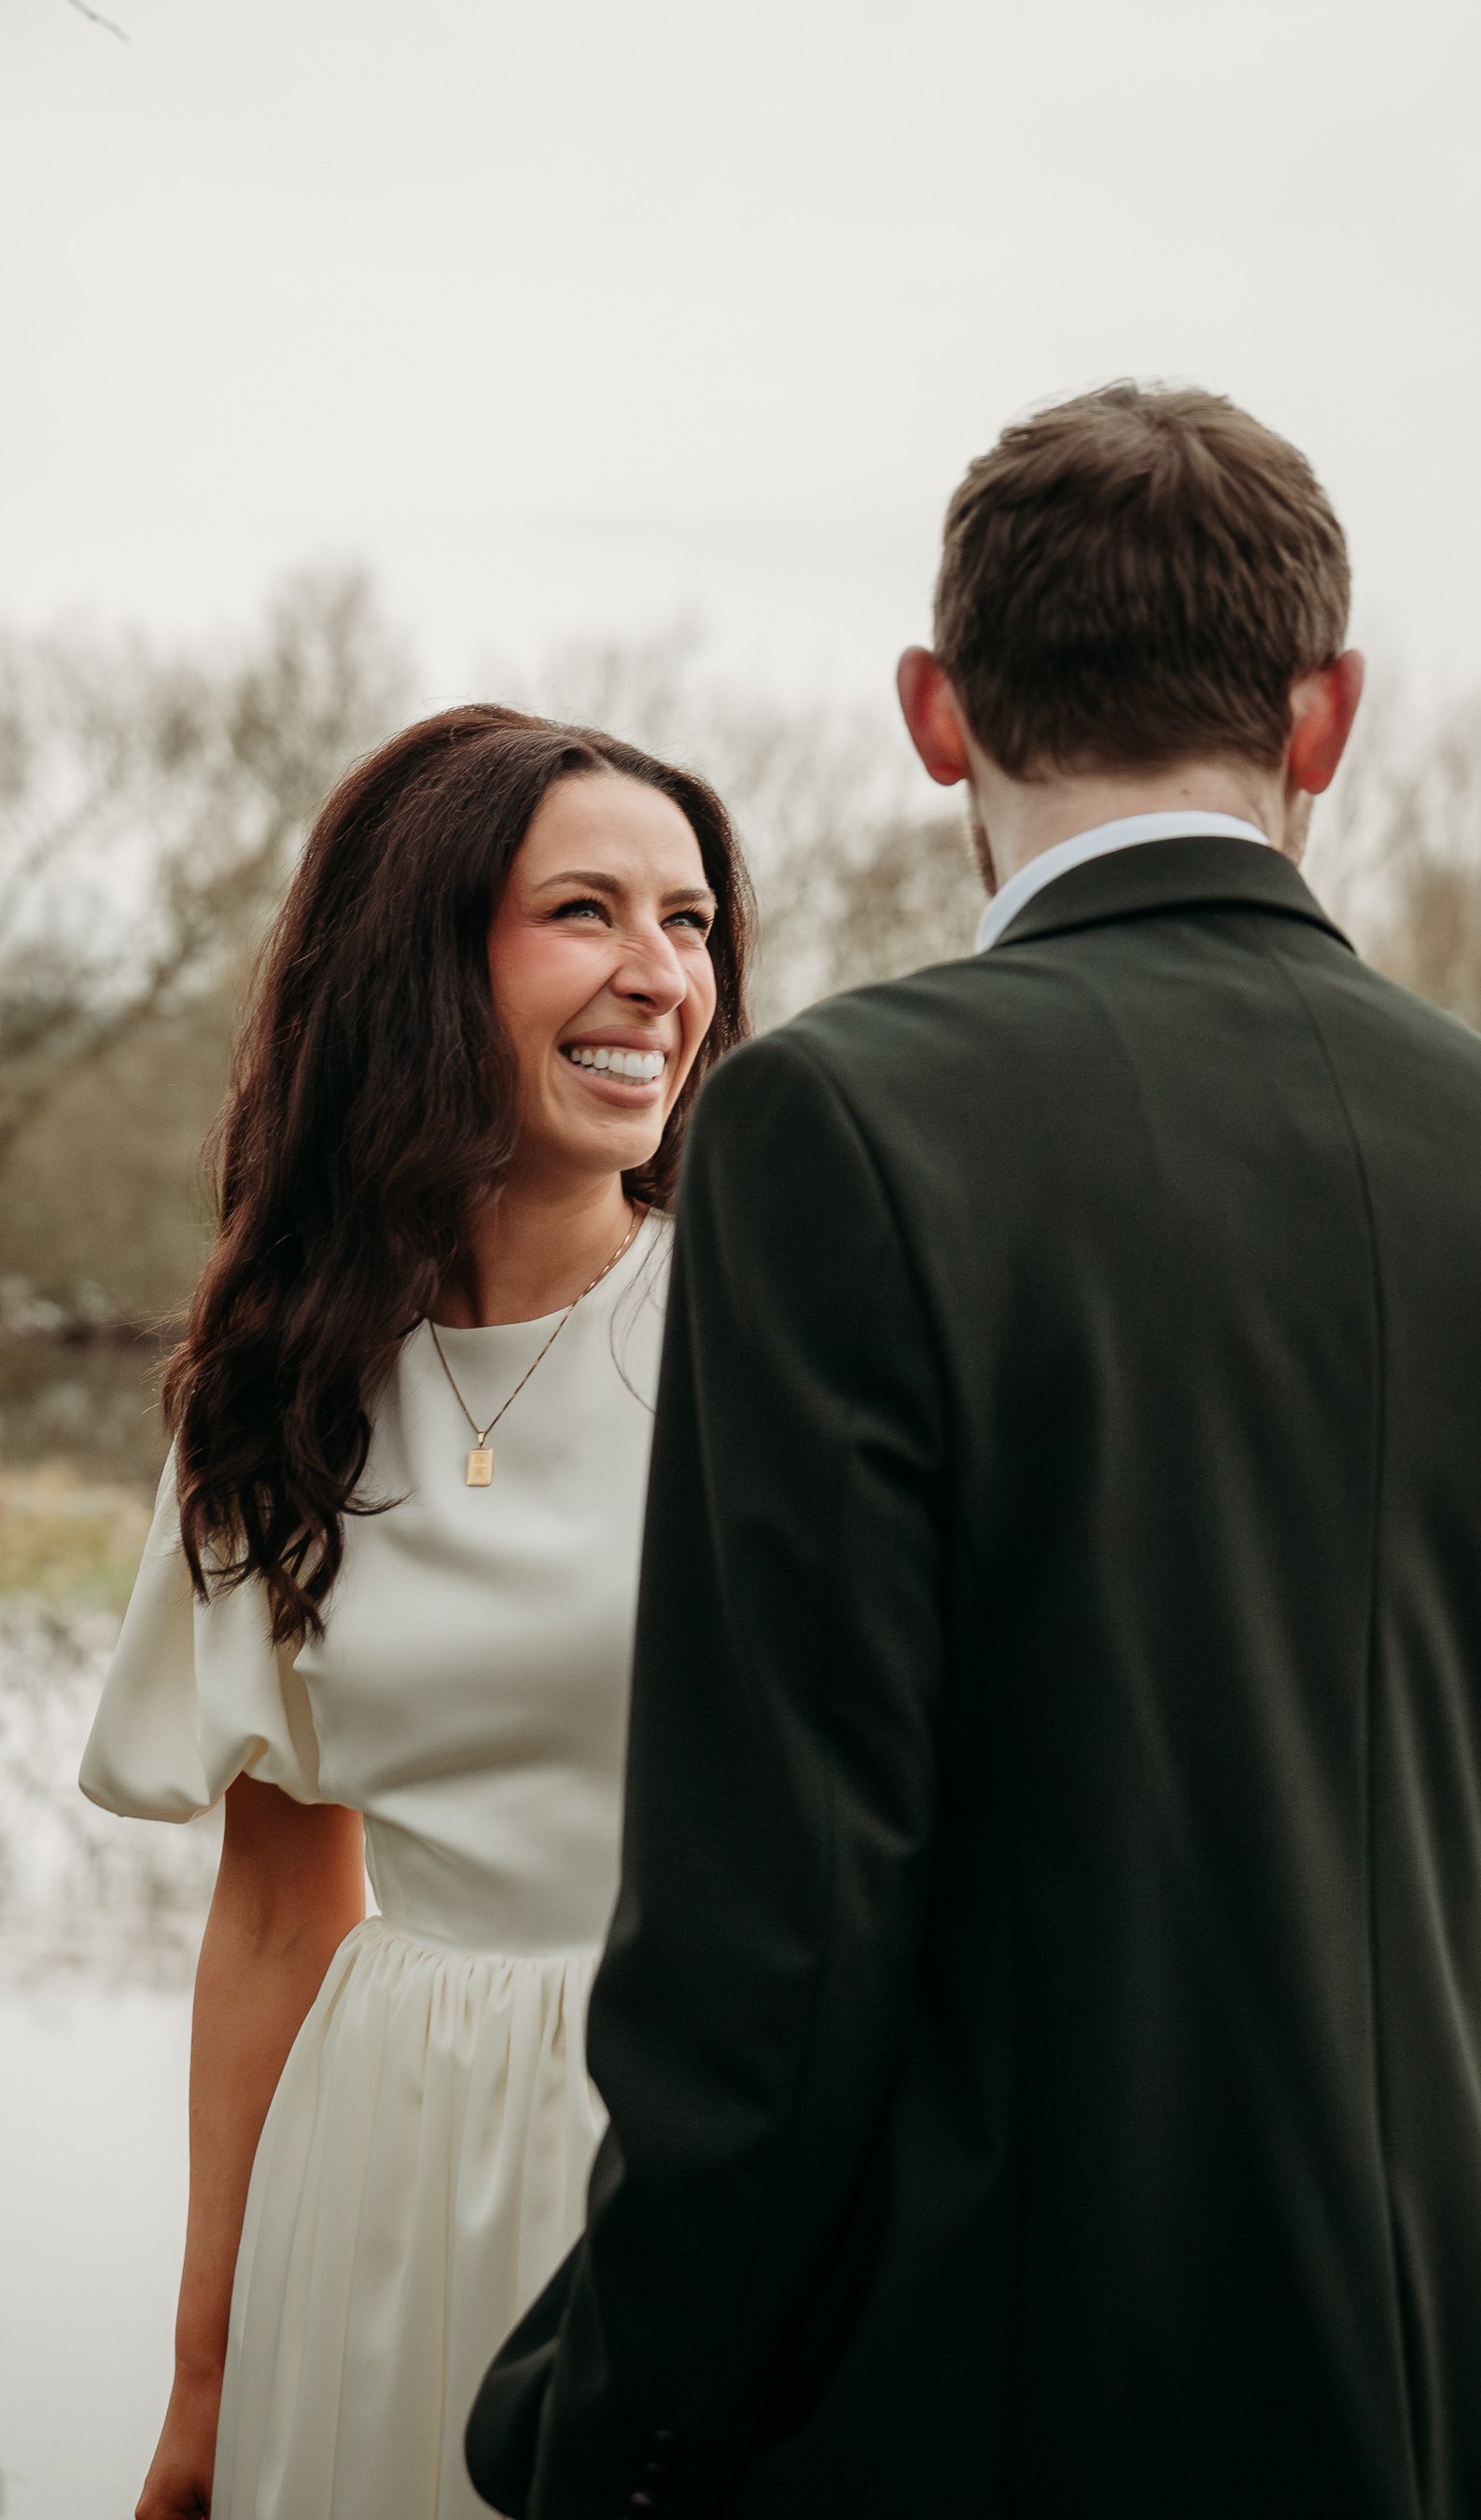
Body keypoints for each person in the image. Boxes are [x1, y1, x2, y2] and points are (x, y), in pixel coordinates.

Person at [467, 384, 1481, 2520]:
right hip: (1440, 2411)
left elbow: (772, 1947)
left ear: (939, 712)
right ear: (1330, 715)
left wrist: (601, 2423)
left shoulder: (840, 1126)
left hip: (973, 2415)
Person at [78, 703, 752, 2520]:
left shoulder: (778, 1343)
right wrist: (203, 2379)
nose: (658, 976)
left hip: (703, 2152)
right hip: (376, 2161)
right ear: (423, 965)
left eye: (689, 922)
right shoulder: (278, 1383)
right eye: (586, 912)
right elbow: (284, 1911)